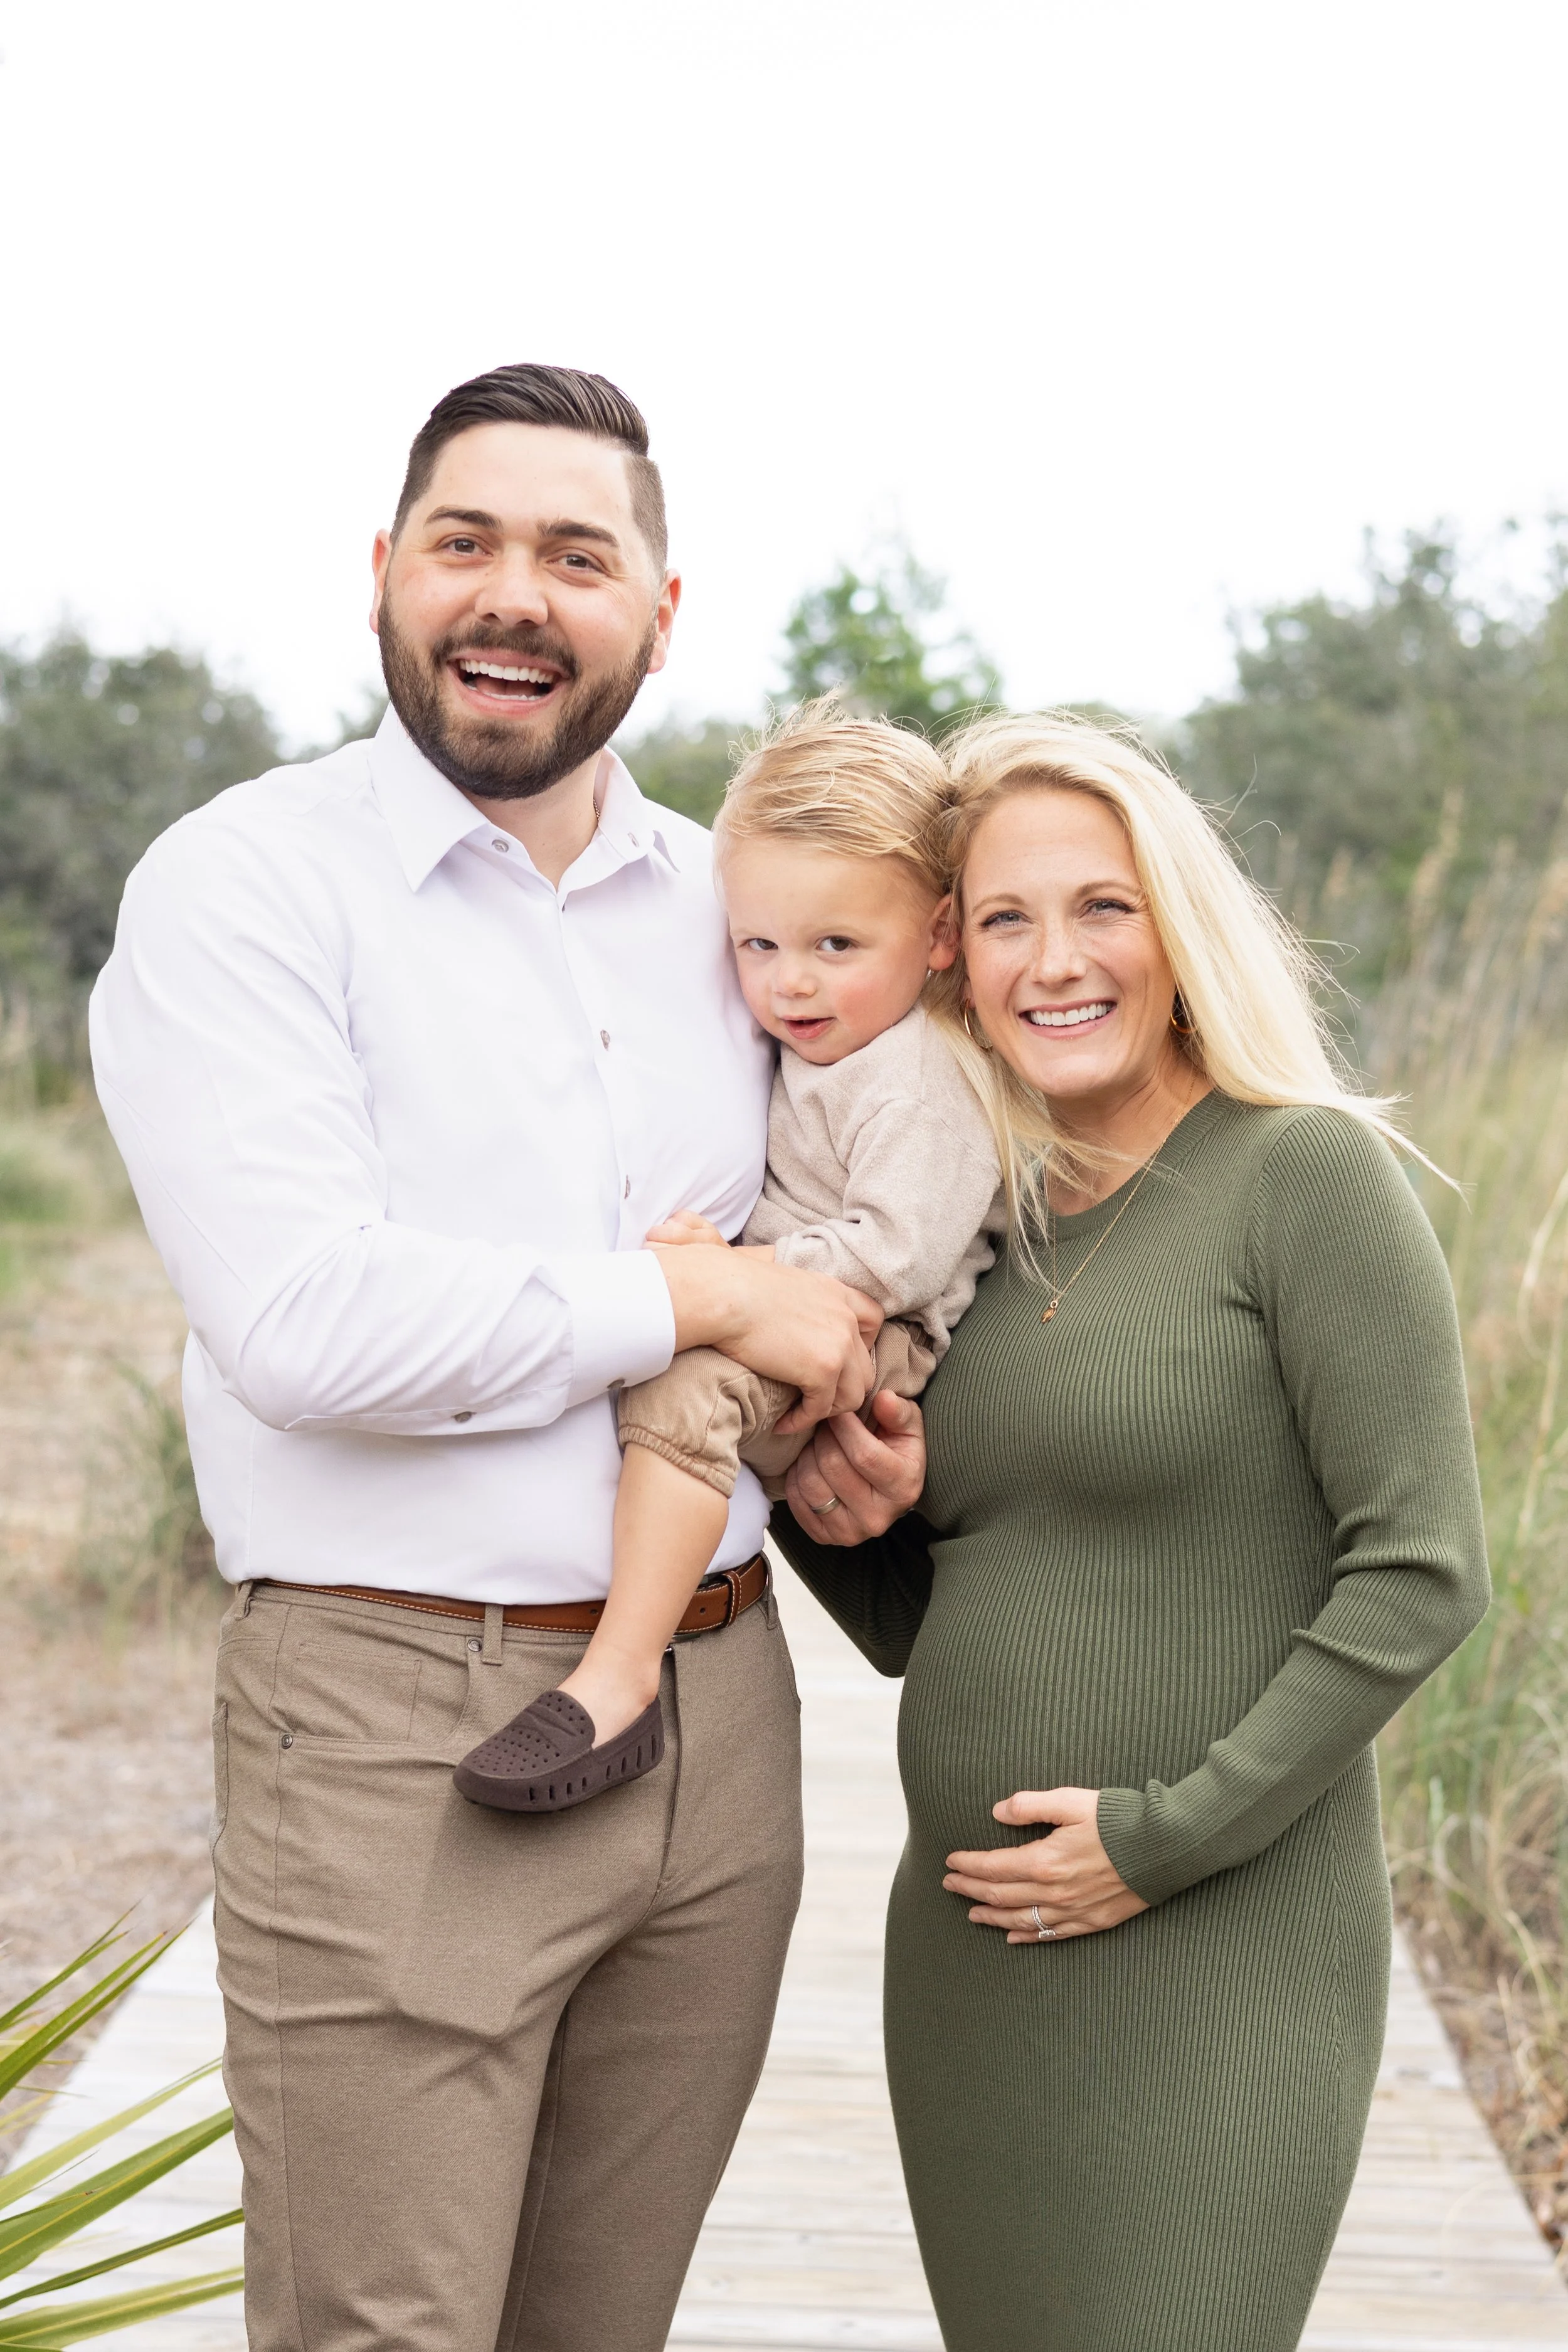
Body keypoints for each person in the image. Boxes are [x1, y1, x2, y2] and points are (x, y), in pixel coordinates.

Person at [89, 363, 882, 2352]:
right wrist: (691, 1302)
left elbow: (825, 1239)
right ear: (384, 573)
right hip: (387, 1724)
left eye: (573, 554)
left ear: (660, 611)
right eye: (467, 541)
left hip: (719, 1715)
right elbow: (307, 1321)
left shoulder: (739, 908)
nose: (512, 593)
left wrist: (825, 1418)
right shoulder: (245, 886)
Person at [773, 711, 1490, 2351]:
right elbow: (918, 1609)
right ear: (953, 957)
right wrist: (817, 1482)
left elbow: (1423, 1564)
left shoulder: (1298, 1175)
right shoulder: (977, 1222)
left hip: (1215, 1935)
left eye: (1101, 905)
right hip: (973, 1960)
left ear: (1179, 922)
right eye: (1006, 917)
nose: (1055, 959)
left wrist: (1162, 1835)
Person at [455, 707, 1004, 1811]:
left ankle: (619, 1677)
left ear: (939, 937)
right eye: (760, 946)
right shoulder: (822, 1043)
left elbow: (896, 1249)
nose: (790, 983)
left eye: (835, 947)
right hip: (800, 1304)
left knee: (691, 1384)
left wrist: (738, 1281)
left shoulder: (919, 1077)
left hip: (872, 1329)